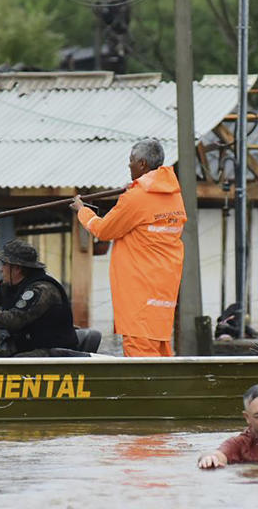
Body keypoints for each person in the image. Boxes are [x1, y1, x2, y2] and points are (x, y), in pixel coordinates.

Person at [70, 138, 186, 357]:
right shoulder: (173, 196)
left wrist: (82, 210)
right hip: (163, 293)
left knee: (141, 359)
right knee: (161, 352)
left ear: (142, 164)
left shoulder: (137, 197)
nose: (128, 165)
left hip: (139, 292)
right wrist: (132, 190)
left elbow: (104, 230)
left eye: (131, 161)